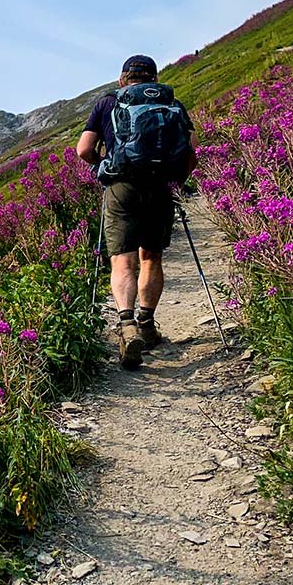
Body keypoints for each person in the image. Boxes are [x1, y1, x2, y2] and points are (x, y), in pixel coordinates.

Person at [76, 55, 198, 369]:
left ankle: (127, 326)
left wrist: (103, 165)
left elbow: (83, 149)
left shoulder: (107, 104)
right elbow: (190, 153)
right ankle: (147, 324)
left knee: (123, 260)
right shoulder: (173, 105)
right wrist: (176, 181)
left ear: (122, 79)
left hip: (121, 188)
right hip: (158, 188)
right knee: (151, 257)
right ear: (154, 80)